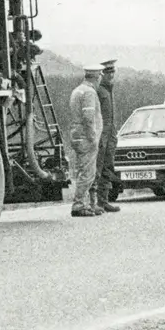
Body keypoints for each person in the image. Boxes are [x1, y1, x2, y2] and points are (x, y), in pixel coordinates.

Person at [68, 65, 105, 217]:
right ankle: (79, 204)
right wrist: (93, 137)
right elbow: (88, 118)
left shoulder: (77, 90)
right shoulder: (89, 93)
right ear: (97, 77)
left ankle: (89, 203)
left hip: (76, 134)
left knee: (83, 169)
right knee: (87, 172)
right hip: (86, 136)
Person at [94, 59, 121, 212]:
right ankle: (94, 201)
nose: (111, 75)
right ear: (101, 74)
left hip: (110, 134)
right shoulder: (99, 91)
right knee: (97, 167)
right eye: (108, 72)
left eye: (113, 72)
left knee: (108, 167)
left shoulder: (109, 90)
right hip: (101, 135)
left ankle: (103, 200)